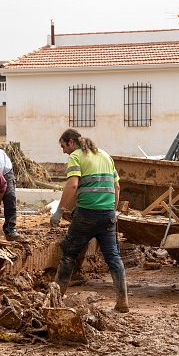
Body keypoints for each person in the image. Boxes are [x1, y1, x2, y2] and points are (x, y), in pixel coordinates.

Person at [49, 129, 128, 313]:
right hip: (108, 215)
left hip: (86, 215)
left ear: (70, 142)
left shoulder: (76, 156)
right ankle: (122, 302)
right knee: (113, 257)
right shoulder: (106, 156)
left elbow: (73, 184)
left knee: (69, 254)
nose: (63, 151)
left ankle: (56, 300)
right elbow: (117, 186)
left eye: (63, 146)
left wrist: (60, 211)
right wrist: (113, 211)